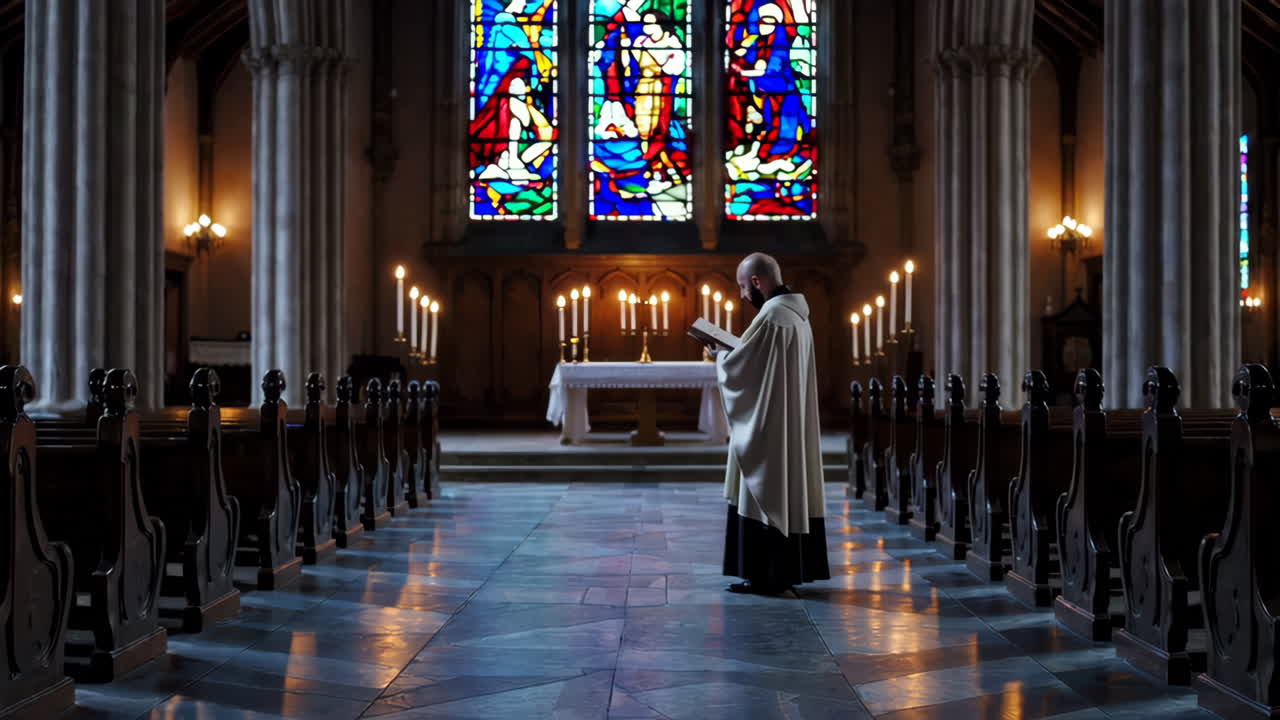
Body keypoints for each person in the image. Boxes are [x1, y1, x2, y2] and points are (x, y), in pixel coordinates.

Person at [712, 253, 829, 595]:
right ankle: (778, 573)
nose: (742, 294)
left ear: (757, 282)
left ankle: (766, 575)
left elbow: (744, 370)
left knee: (765, 490)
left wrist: (719, 355)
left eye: (742, 286)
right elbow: (761, 363)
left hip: (770, 426)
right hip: (783, 419)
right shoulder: (796, 315)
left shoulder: (774, 316)